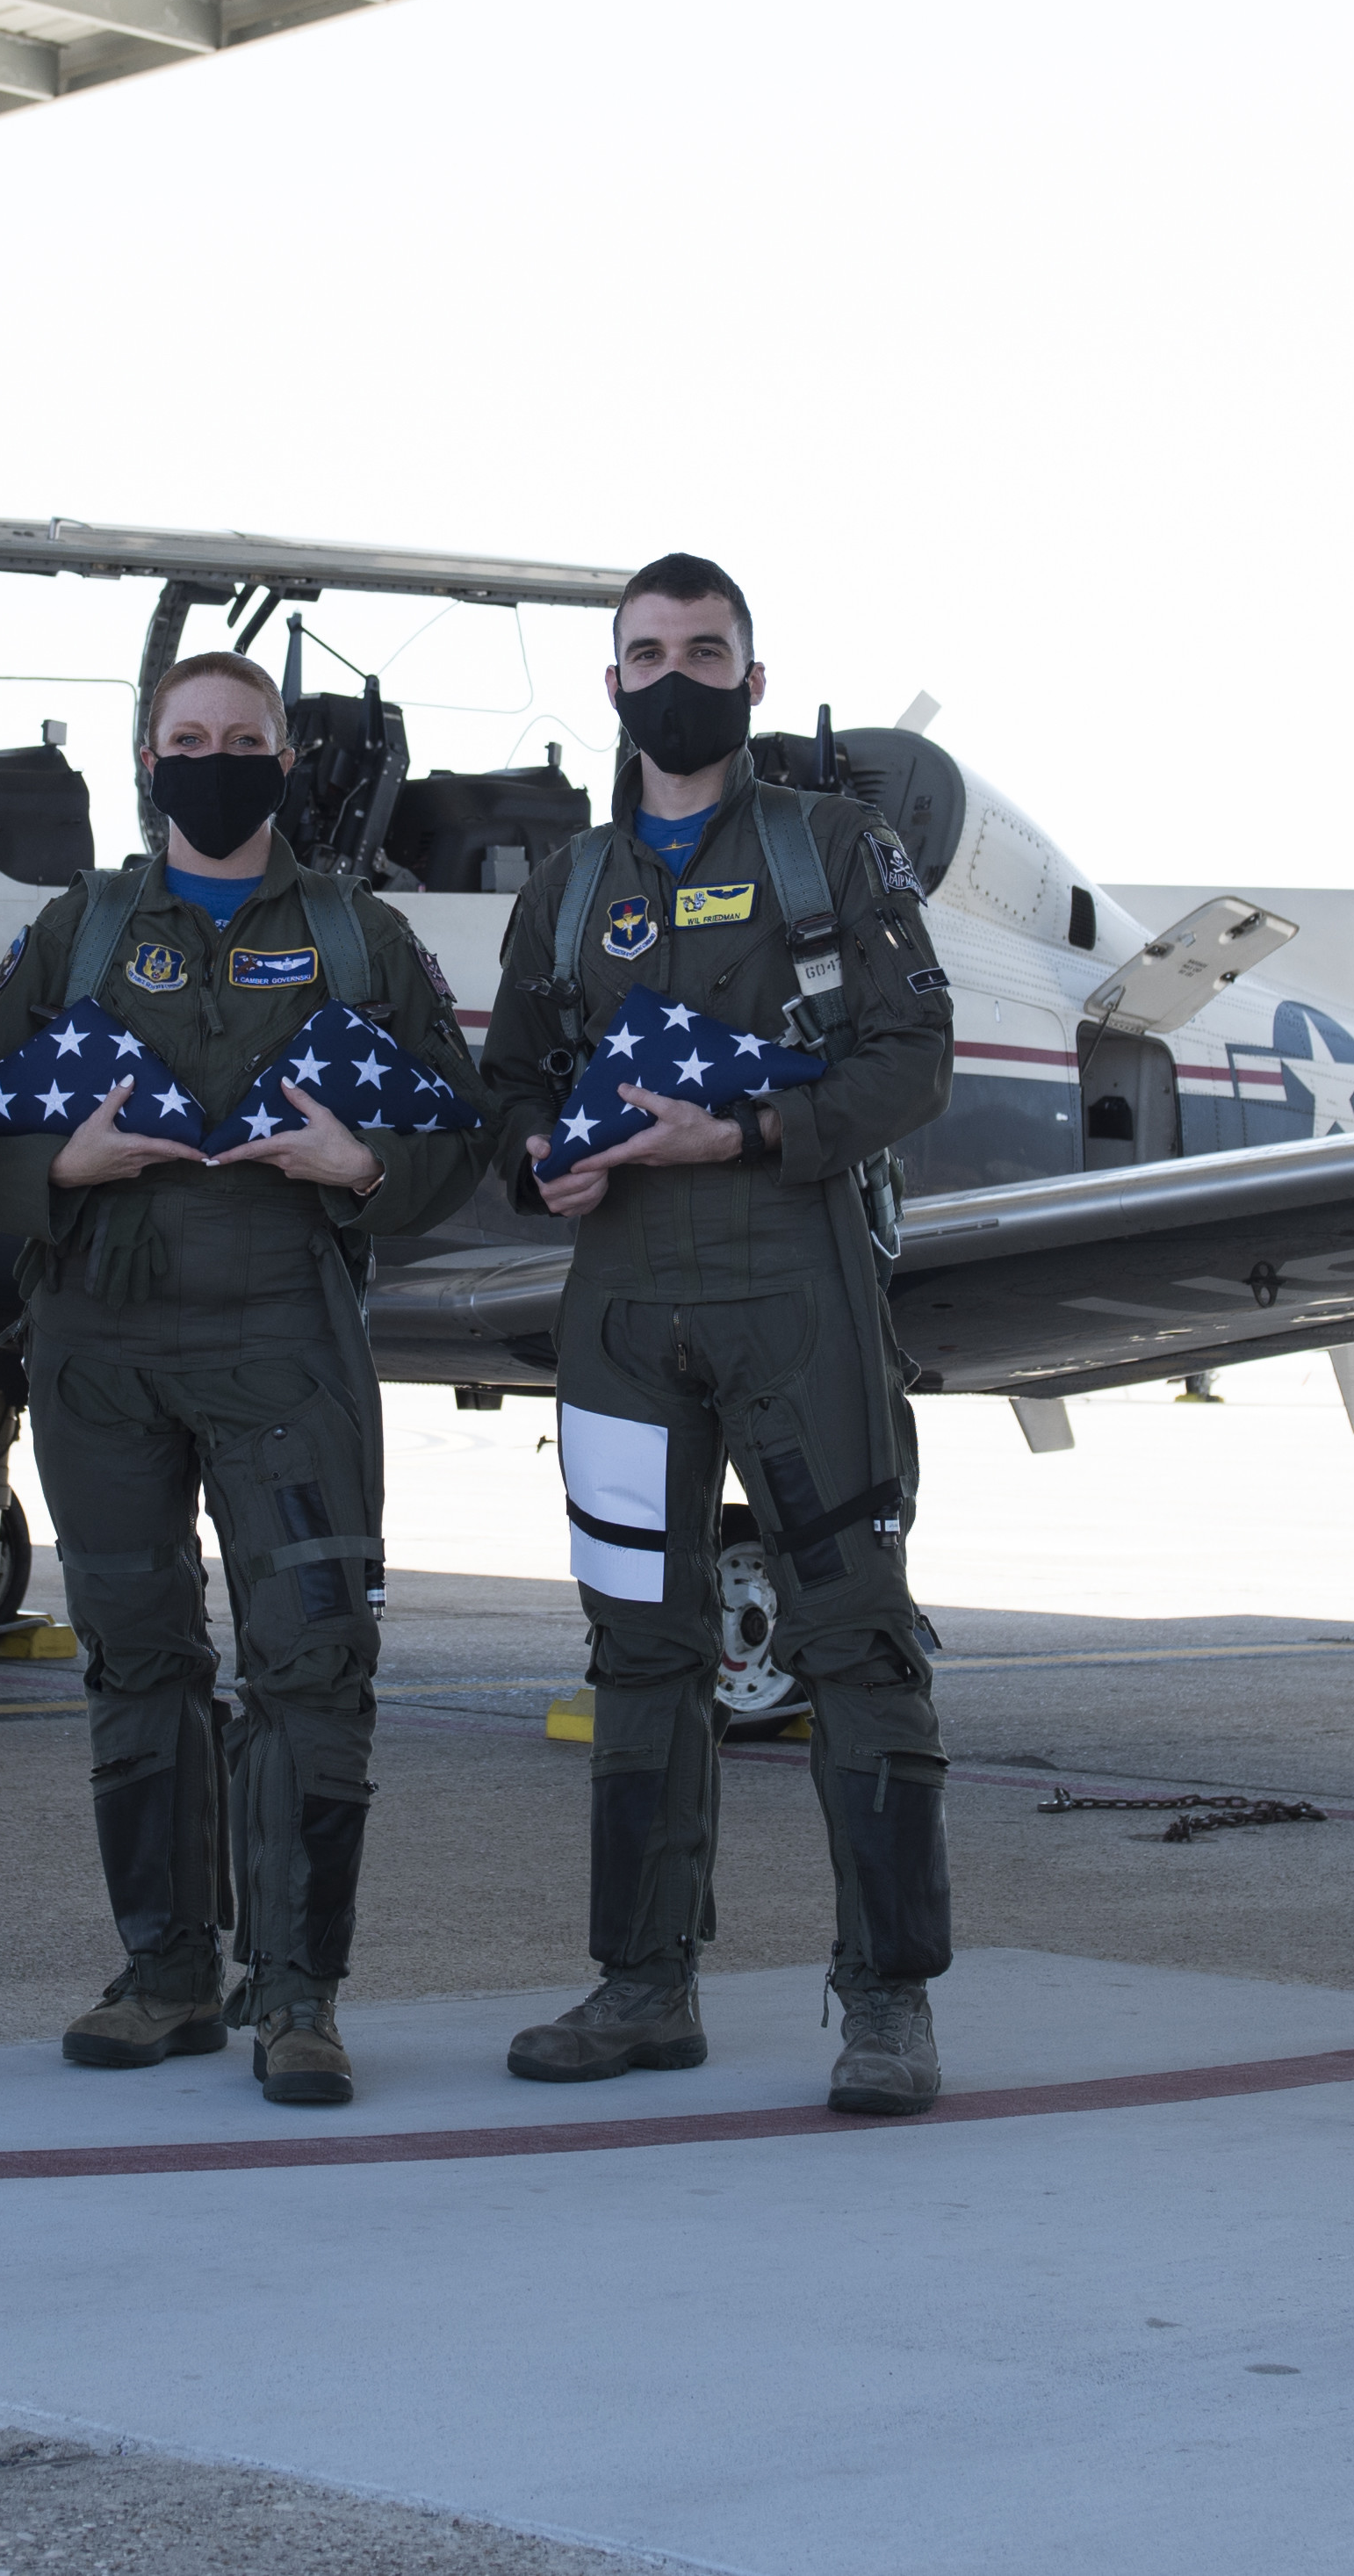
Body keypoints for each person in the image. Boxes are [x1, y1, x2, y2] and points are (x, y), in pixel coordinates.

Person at [0, 650, 489, 2106]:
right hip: (100, 1344)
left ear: (286, 759)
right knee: (139, 1657)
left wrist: (362, 1164)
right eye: (187, 739)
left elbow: (459, 1133)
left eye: (242, 739)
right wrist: (57, 1163)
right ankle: (165, 1971)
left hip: (283, 1338)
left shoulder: (360, 935)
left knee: (310, 1661)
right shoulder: (82, 928)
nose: (214, 760)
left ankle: (297, 1992)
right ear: (149, 757)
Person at [477, 554, 961, 2118]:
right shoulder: (567, 889)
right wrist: (535, 1161)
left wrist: (745, 1133)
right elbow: (512, 1084)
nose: (672, 672)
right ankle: (641, 1986)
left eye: (704, 649)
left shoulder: (829, 849)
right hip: (618, 1307)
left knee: (855, 1637)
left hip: (791, 1285)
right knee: (636, 1647)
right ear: (609, 683)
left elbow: (909, 1067)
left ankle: (886, 2004)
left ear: (751, 682)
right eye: (645, 651)